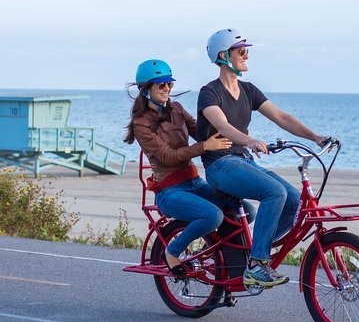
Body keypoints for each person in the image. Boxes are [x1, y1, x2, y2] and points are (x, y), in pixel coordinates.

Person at [196, 29, 329, 287]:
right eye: (241, 51)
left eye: (247, 51)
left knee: (293, 201)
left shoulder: (248, 90)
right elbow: (222, 125)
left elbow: (281, 117)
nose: (247, 56)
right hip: (220, 165)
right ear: (224, 56)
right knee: (274, 192)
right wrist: (250, 140)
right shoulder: (209, 92)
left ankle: (256, 251)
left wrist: (315, 137)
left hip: (244, 162)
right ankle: (257, 265)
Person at [124, 59, 255, 276]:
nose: (167, 89)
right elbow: (167, 156)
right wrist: (204, 146)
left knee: (245, 211)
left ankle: (212, 251)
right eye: (161, 85)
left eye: (170, 84)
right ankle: (172, 252)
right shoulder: (141, 124)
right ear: (145, 89)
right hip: (169, 191)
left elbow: (202, 132)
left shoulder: (176, 109)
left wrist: (236, 136)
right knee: (213, 216)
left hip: (194, 182)